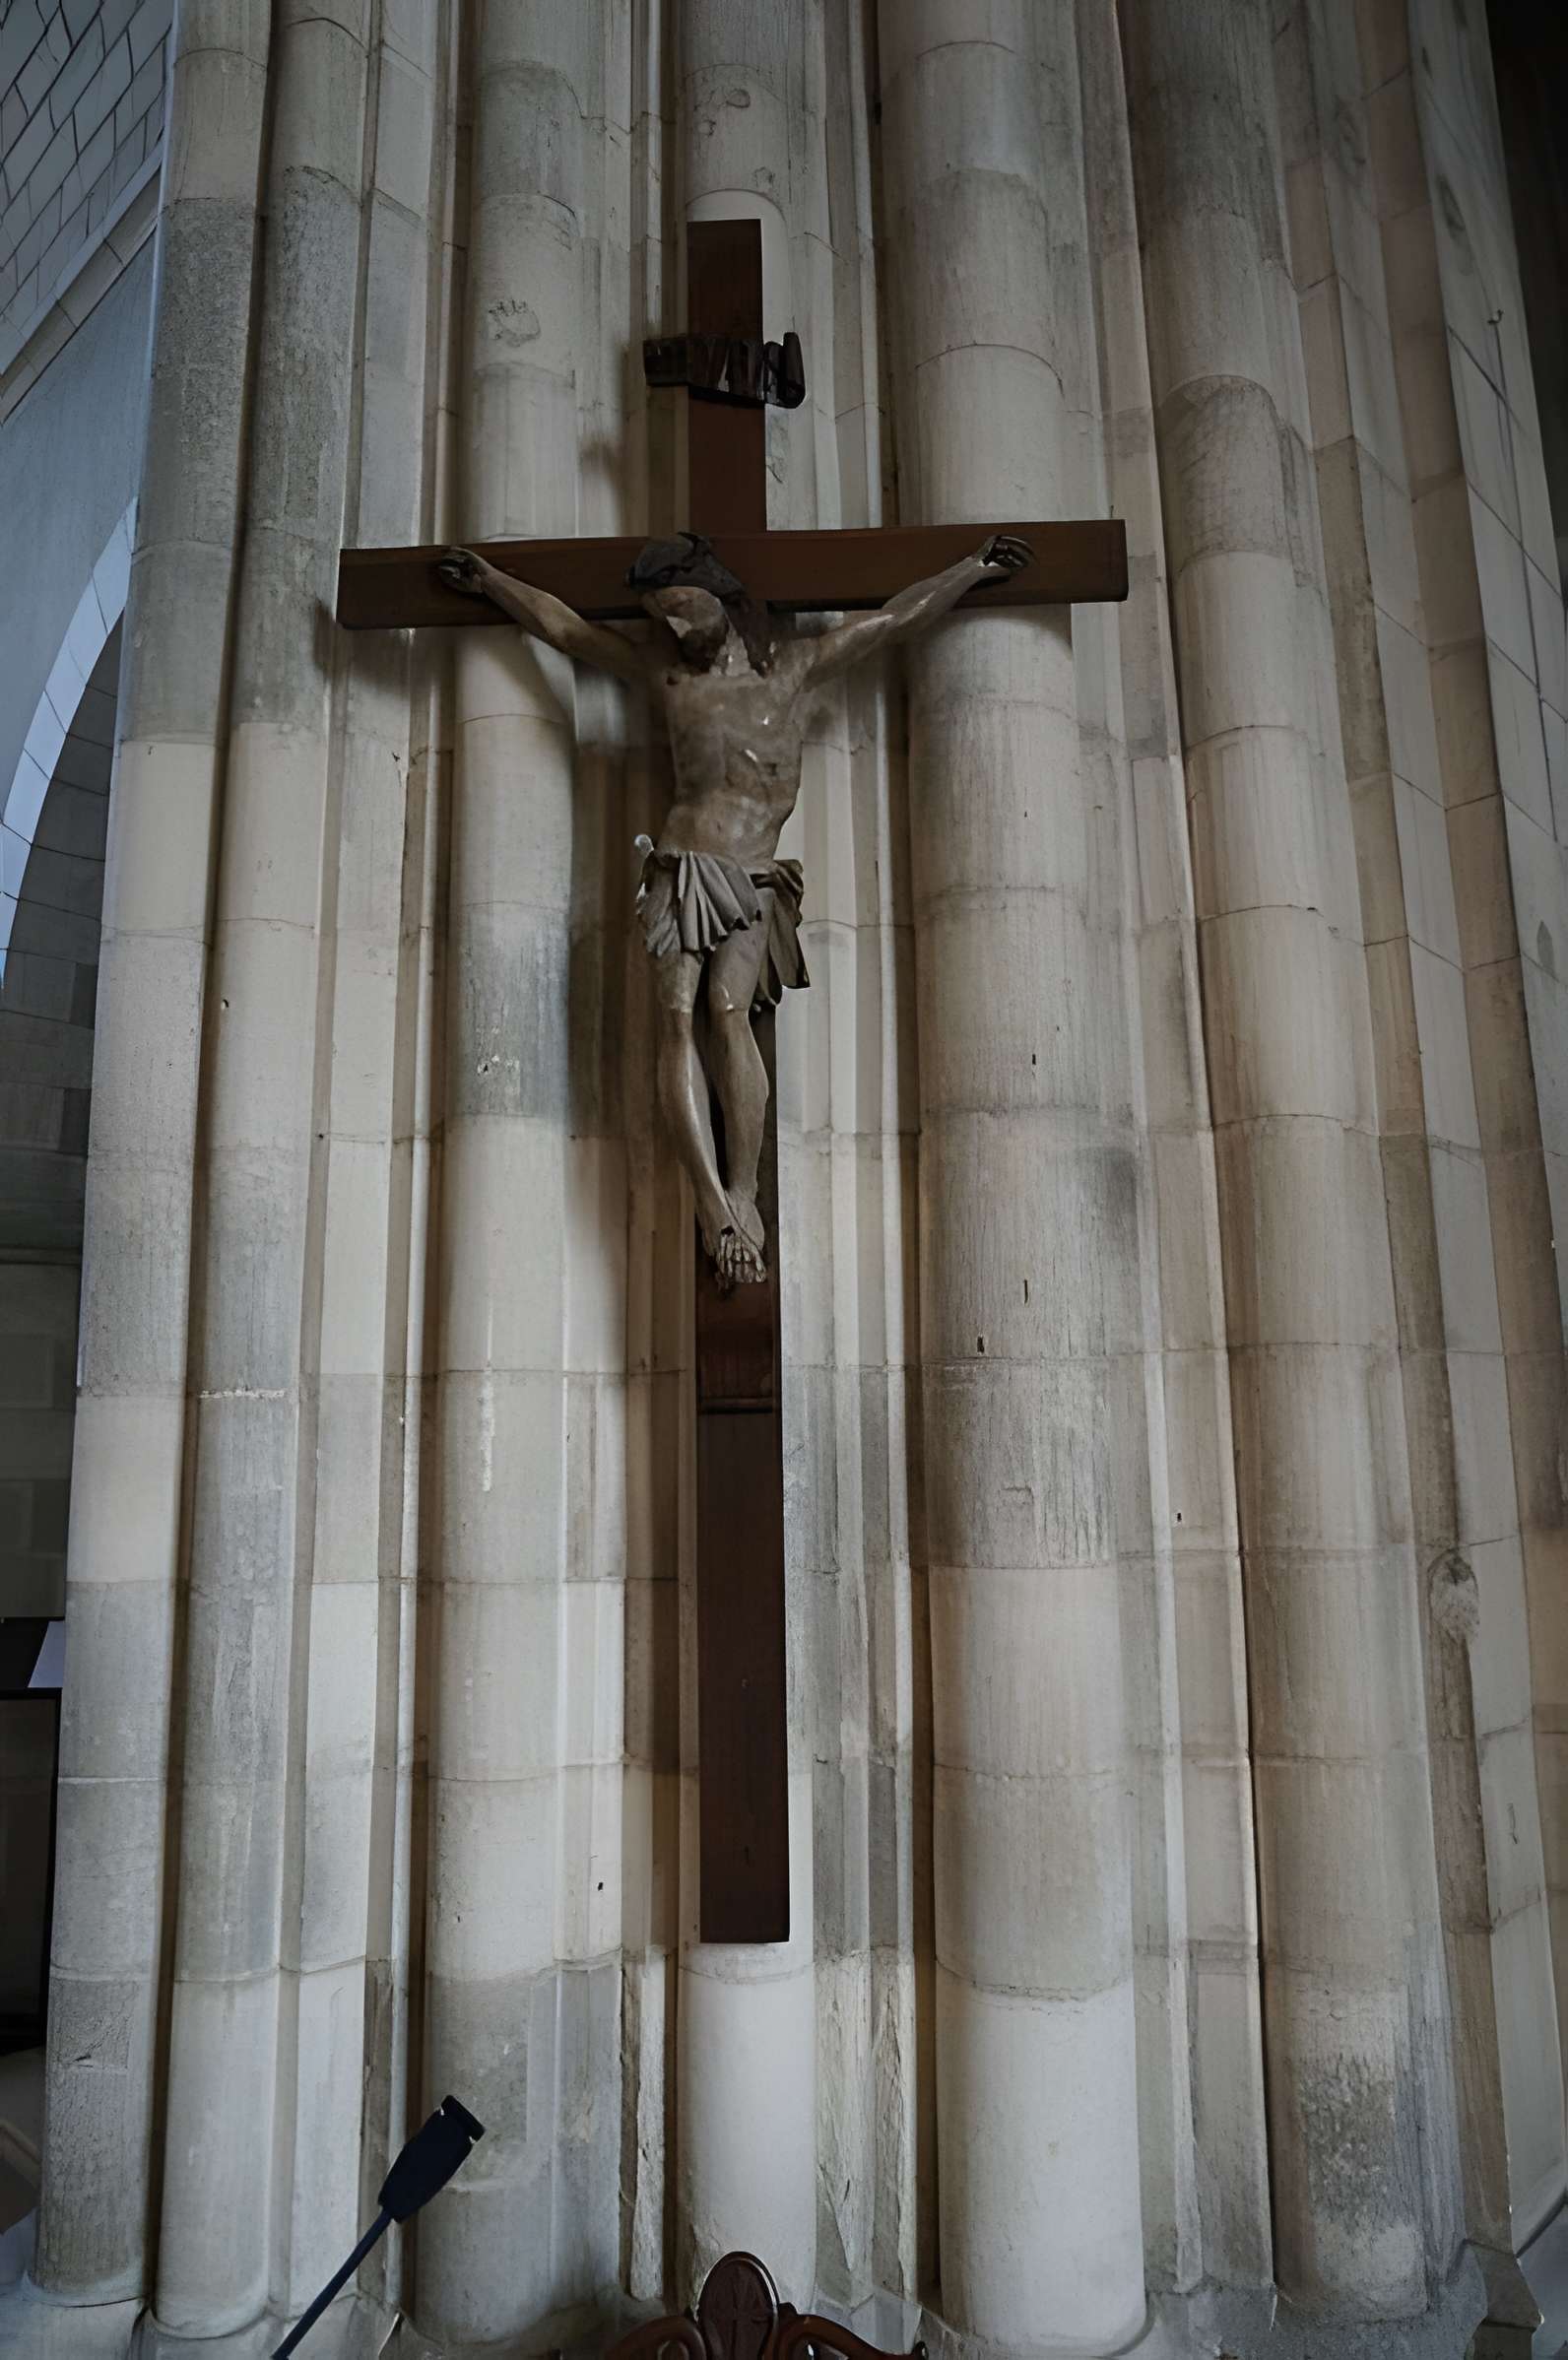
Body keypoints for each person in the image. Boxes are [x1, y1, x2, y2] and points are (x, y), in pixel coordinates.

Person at [438, 528, 1032, 1283]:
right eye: (664, 620)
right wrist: (492, 580)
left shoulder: (791, 673)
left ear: (722, 598)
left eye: (685, 610)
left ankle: (744, 1187)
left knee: (727, 1010)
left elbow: (894, 619)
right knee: (675, 1016)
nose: (677, 631)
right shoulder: (667, 679)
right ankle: (711, 1200)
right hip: (681, 868)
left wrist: (972, 570)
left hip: (752, 876)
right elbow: (566, 629)